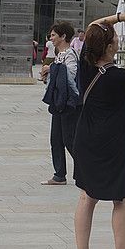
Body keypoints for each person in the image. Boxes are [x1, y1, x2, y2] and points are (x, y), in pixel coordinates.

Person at [71, 9, 125, 249]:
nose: (118, 42)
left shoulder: (85, 63)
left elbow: (93, 24)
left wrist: (118, 18)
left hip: (85, 139)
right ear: (109, 47)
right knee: (121, 199)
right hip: (112, 142)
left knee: (87, 195)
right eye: (115, 39)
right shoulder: (117, 77)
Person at [40, 21, 79, 186]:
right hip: (58, 101)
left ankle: (87, 169)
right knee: (56, 139)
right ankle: (59, 174)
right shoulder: (59, 54)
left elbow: (70, 75)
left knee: (69, 139)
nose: (51, 38)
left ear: (63, 36)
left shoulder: (70, 53)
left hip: (68, 103)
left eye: (54, 35)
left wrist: (52, 69)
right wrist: (47, 75)